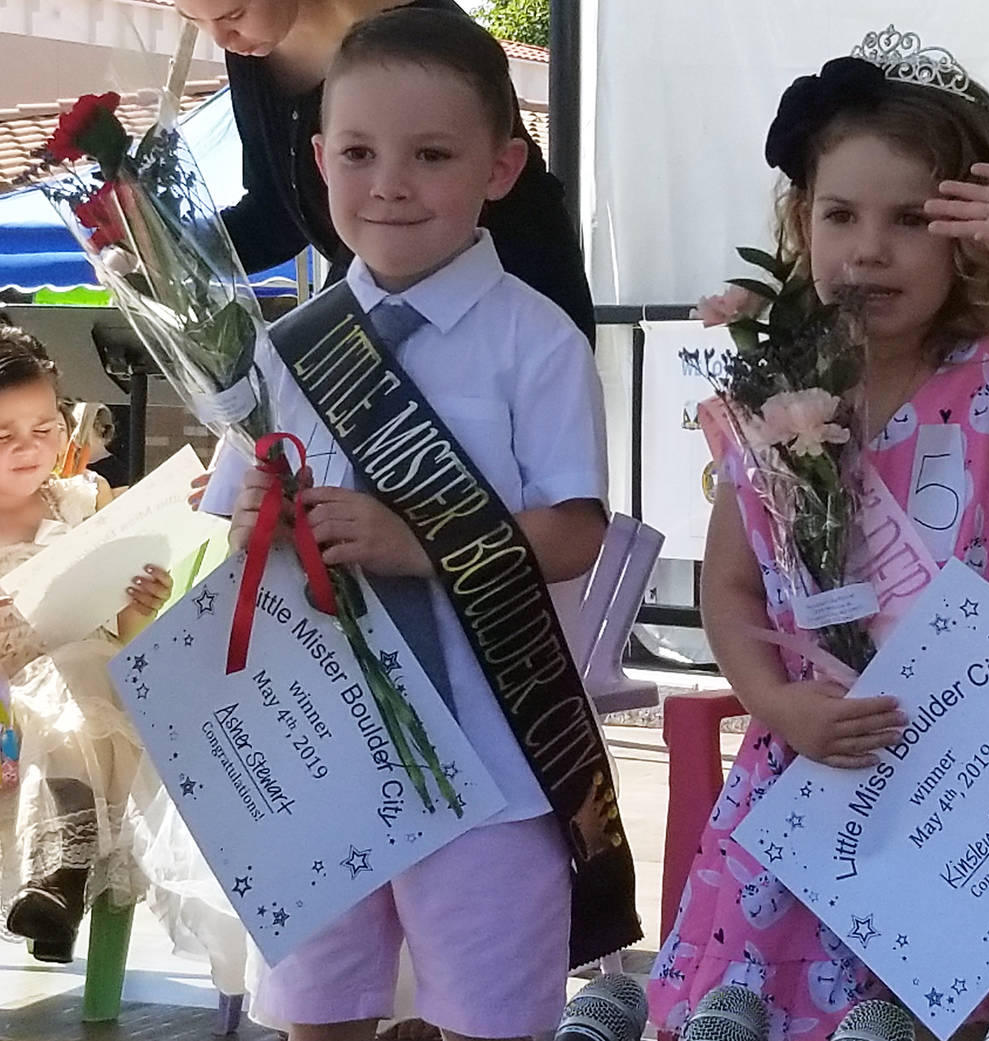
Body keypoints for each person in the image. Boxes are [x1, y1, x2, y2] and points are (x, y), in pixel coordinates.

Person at [647, 31, 989, 1041]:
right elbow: (731, 590)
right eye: (841, 215)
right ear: (802, 222)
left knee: (941, 1011)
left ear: (968, 236)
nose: (869, 247)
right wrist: (777, 705)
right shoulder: (770, 389)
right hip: (813, 763)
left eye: (909, 220)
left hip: (963, 771)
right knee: (779, 1013)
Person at [208, 9, 612, 1040]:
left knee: (488, 1019)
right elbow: (231, 543)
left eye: (432, 154)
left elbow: (574, 534)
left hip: (492, 758)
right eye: (357, 153)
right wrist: (255, 522)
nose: (389, 183)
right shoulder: (284, 350)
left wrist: (417, 541)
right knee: (319, 1013)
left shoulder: (538, 341)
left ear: (501, 167)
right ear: (316, 161)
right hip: (319, 752)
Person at [173, 0, 597, 343]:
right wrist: (166, 248)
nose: (221, 38)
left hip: (506, 304)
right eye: (194, 21)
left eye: (235, 14)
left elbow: (399, 220)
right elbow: (275, 218)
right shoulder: (252, 53)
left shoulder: (421, 37)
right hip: (384, 305)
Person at [0, 325, 172, 962]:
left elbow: (126, 644)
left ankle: (61, 877)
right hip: (3, 718)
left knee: (75, 666)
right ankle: (58, 881)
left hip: (88, 709)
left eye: (44, 428)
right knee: (52, 683)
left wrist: (137, 605)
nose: (29, 449)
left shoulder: (84, 503)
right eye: (3, 435)